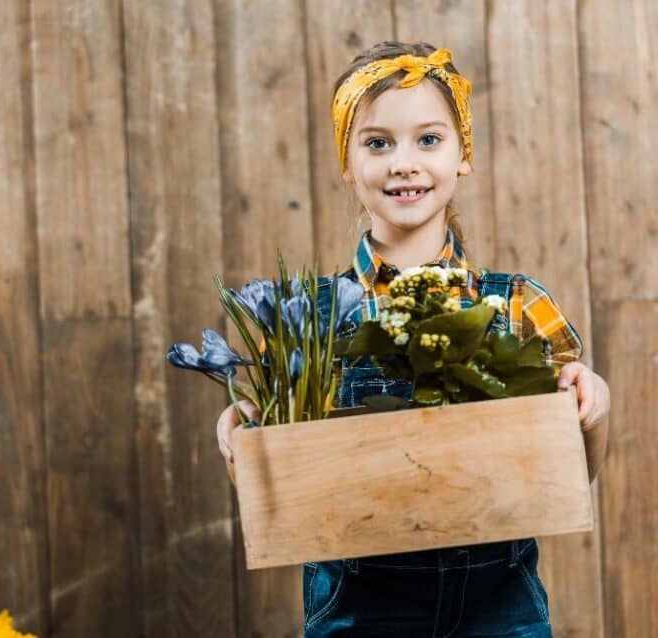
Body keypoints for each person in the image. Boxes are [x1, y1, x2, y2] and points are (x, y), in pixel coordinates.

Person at [216, 41, 610, 637]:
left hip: (500, 607)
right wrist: (240, 444)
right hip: (360, 609)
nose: (404, 162)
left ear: (462, 156)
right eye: (378, 143)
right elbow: (283, 498)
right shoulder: (307, 321)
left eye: (429, 139)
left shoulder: (519, 304)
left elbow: (572, 474)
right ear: (348, 164)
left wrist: (593, 407)